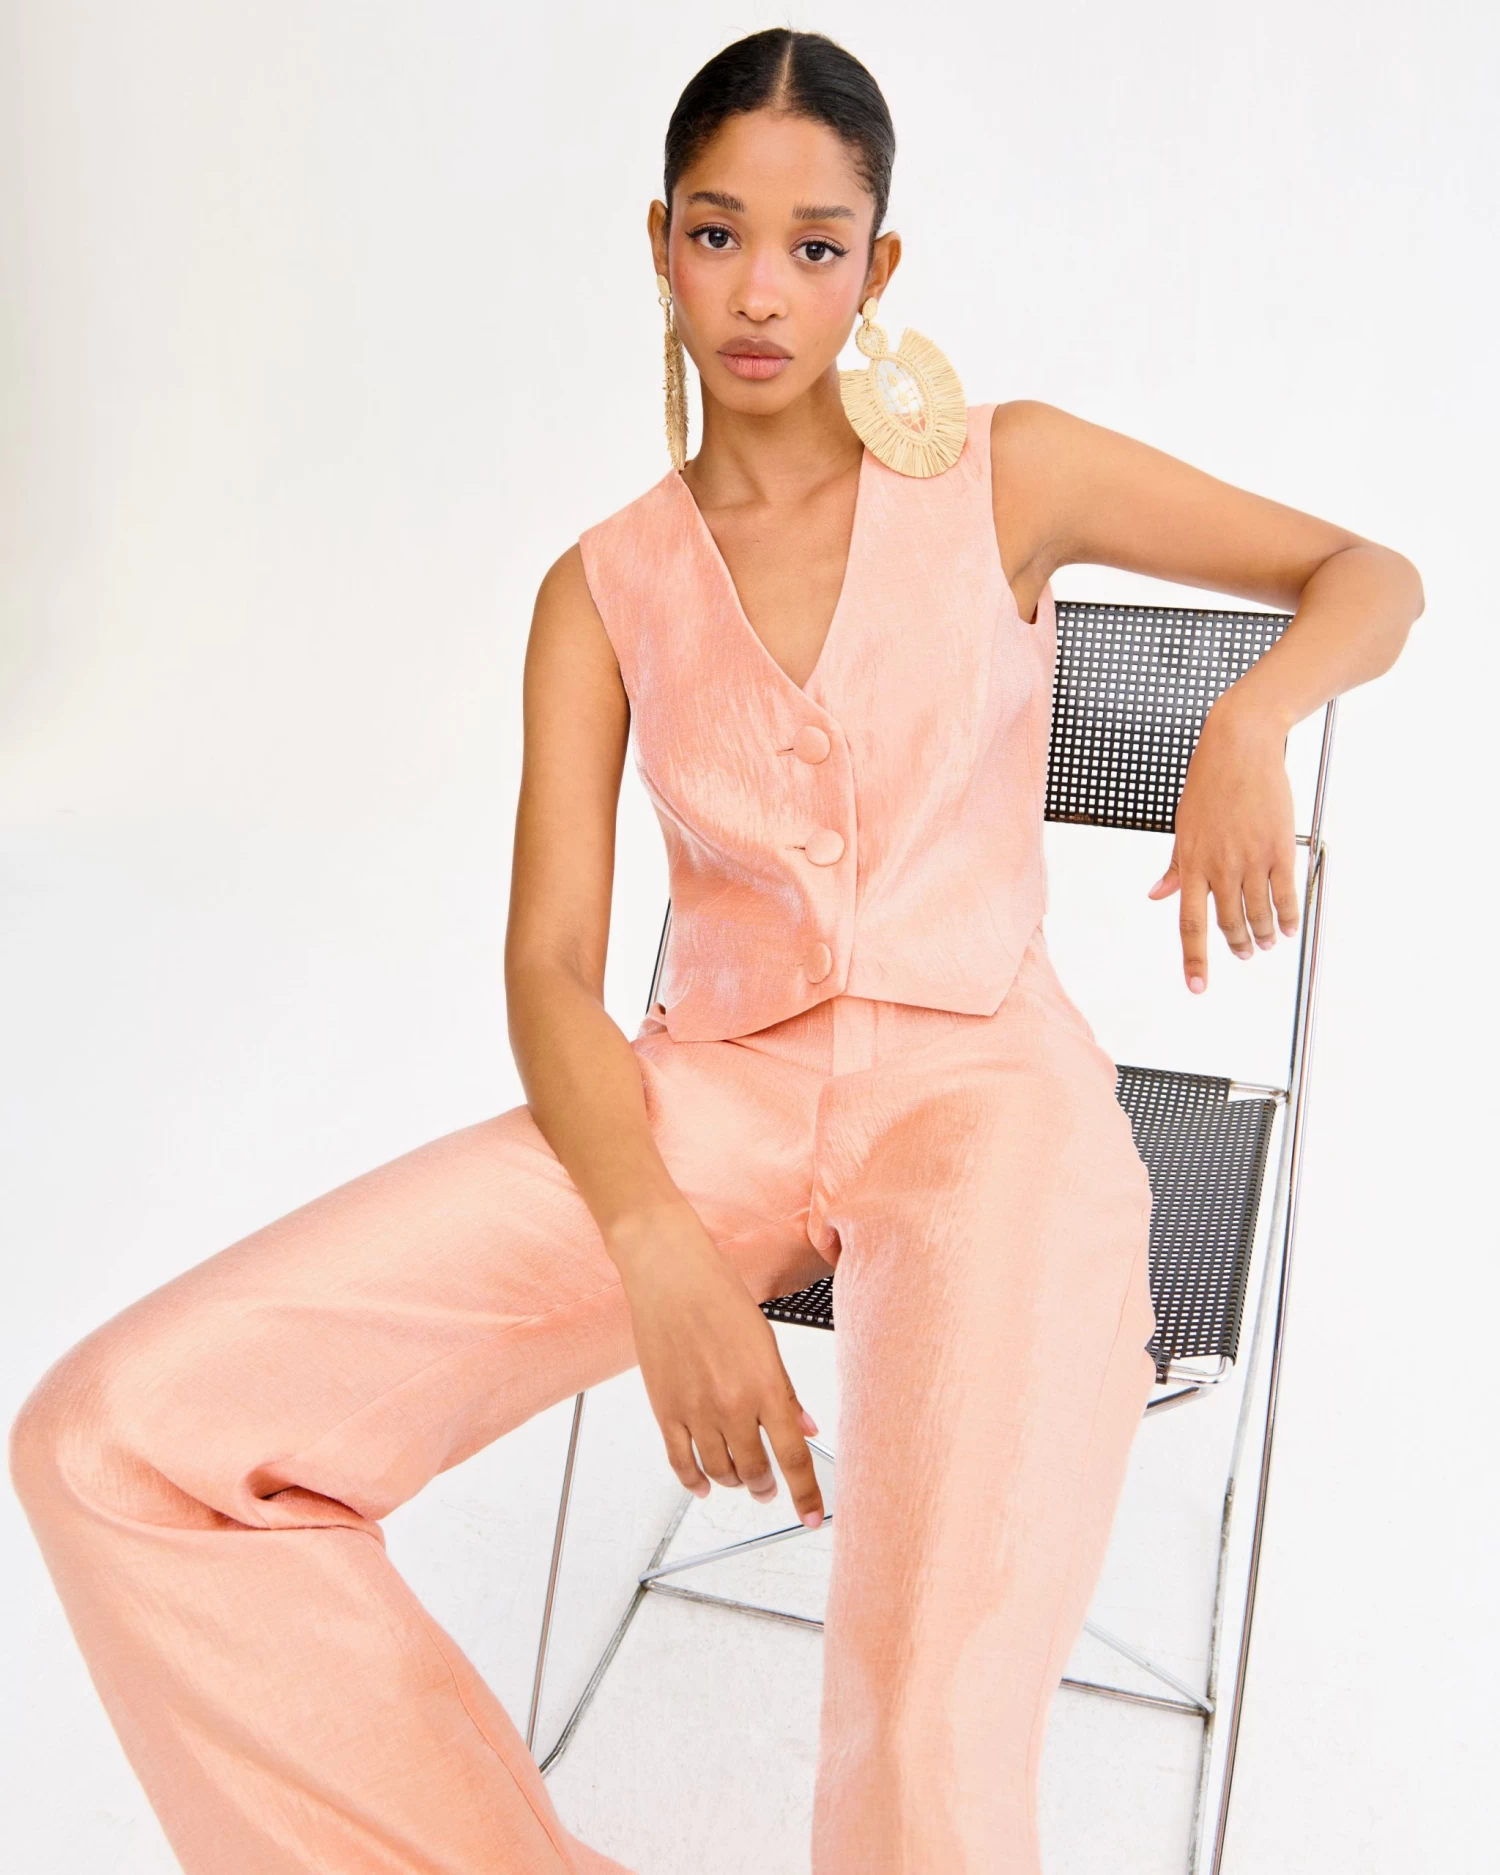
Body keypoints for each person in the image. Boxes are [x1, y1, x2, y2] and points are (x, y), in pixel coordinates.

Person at [9, 26, 1422, 1875]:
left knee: (924, 1722)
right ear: (660, 242)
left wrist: (1252, 722)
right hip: (699, 1109)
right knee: (124, 1439)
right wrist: (657, 1248)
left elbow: (1368, 574)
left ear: (878, 267)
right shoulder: (601, 588)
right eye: (719, 234)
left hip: (992, 1103)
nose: (762, 291)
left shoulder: (1012, 474)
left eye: (815, 246)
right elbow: (547, 968)